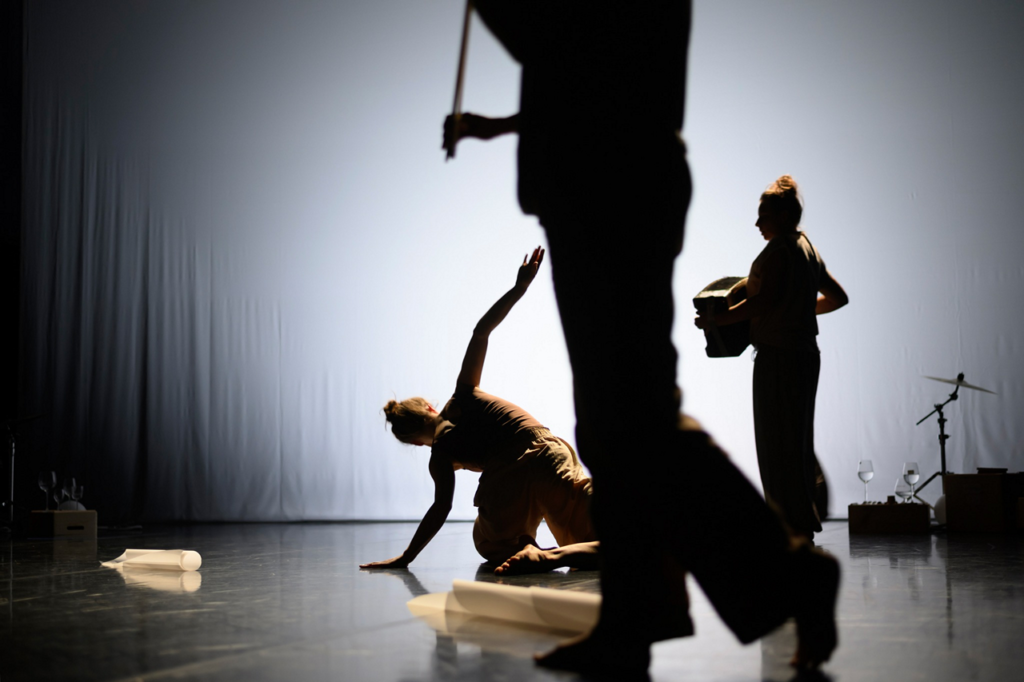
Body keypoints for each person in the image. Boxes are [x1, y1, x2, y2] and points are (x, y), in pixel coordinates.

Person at [442, 1, 840, 676]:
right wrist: (502, 125)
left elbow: (562, 47)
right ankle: (638, 610)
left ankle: (785, 576)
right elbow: (581, 73)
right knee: (614, 423)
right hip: (605, 181)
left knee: (631, 418)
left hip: (608, 186)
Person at [360, 248, 600, 572]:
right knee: (602, 534)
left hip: (505, 480)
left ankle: (530, 549)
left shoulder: (440, 456)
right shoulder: (464, 393)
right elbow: (481, 332)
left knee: (486, 540)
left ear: (416, 442)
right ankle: (559, 554)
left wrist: (407, 557)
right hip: (547, 453)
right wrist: (519, 288)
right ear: (430, 406)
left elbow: (440, 508)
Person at [696, 175, 849, 542]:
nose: (757, 223)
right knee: (796, 440)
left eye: (763, 215)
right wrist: (800, 310)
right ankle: (801, 523)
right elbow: (837, 298)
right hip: (804, 354)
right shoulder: (807, 249)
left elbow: (763, 301)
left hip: (779, 357)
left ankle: (790, 527)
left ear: (781, 216)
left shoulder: (781, 250)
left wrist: (717, 320)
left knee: (776, 444)